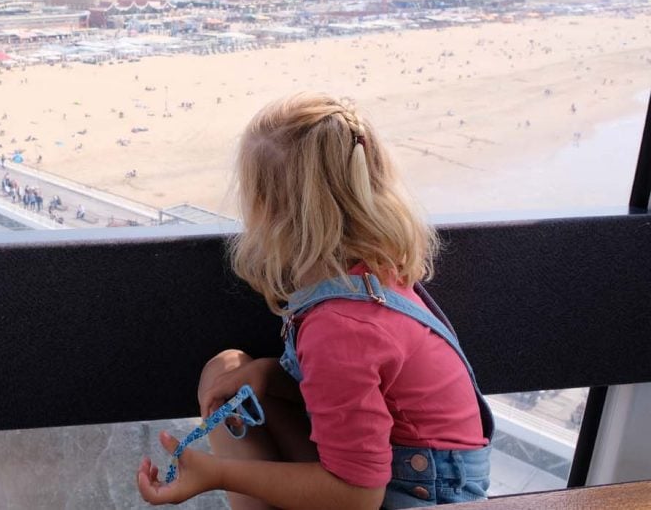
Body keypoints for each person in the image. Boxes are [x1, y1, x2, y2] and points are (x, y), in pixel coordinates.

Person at [137, 93, 492, 509]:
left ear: (270, 212)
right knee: (226, 371)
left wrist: (216, 474)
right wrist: (270, 375)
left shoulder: (341, 326)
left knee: (225, 384)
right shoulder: (376, 275)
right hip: (415, 474)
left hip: (414, 497)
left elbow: (356, 495)